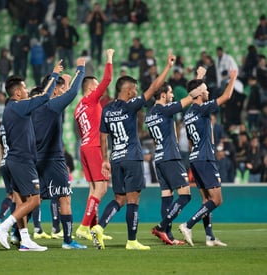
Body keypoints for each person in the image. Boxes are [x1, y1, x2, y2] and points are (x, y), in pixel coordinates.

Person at [90, 51, 175, 250]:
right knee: (133, 199)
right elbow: (154, 87)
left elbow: (103, 136)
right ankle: (132, 241)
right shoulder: (130, 106)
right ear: (128, 90)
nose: (136, 92)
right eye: (134, 89)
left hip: (116, 158)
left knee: (118, 199)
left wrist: (104, 160)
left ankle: (100, 227)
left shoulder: (107, 110)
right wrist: (167, 67)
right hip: (132, 157)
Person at [0, 60, 63, 252]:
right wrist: (54, 74)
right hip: (22, 160)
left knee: (22, 201)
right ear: (17, 93)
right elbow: (44, 97)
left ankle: (25, 240)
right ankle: (3, 226)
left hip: (15, 160)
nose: (26, 90)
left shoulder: (10, 110)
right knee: (35, 200)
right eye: (24, 88)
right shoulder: (17, 106)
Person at [145, 67, 206, 246]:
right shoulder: (165, 110)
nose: (173, 95)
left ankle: (168, 236)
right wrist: (199, 78)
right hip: (171, 157)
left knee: (167, 196)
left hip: (159, 158)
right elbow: (190, 98)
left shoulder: (149, 115)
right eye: (170, 92)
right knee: (185, 195)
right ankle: (162, 227)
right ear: (163, 95)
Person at [31, 58, 87, 249]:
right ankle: (68, 241)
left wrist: (64, 79)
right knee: (65, 197)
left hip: (36, 158)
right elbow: (72, 93)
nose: (63, 92)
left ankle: (14, 232)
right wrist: (81, 68)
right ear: (54, 89)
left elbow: (66, 90)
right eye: (60, 89)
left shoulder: (36, 106)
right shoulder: (52, 106)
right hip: (53, 159)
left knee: (33, 199)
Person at [178, 67, 238, 247]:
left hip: (195, 158)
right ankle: (187, 225)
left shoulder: (188, 113)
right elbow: (226, 97)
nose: (208, 92)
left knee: (206, 200)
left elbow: (189, 140)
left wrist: (198, 78)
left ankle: (210, 237)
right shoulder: (202, 108)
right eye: (205, 90)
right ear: (198, 95)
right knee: (217, 200)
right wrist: (233, 78)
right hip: (205, 158)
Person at [73, 49, 114, 241]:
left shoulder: (78, 107)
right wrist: (109, 58)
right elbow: (107, 80)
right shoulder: (91, 99)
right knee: (102, 188)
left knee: (93, 189)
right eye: (96, 86)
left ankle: (94, 228)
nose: (100, 89)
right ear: (90, 89)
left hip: (84, 146)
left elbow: (81, 131)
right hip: (95, 146)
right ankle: (83, 227)